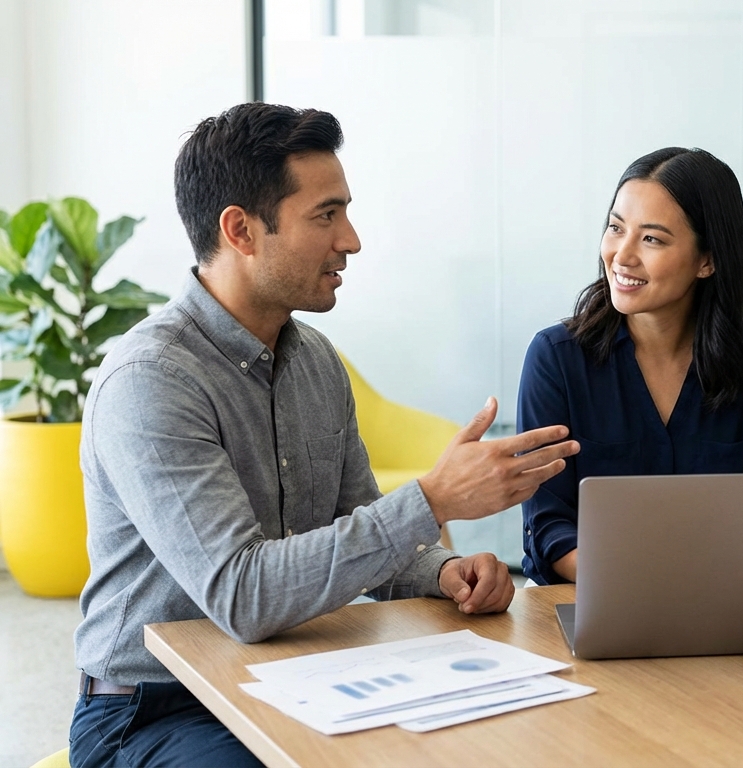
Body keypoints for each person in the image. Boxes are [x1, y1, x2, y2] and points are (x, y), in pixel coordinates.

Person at [70, 103, 579, 767]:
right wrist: (431, 499)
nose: (352, 240)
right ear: (241, 230)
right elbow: (242, 595)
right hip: (151, 708)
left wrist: (443, 569)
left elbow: (362, 528)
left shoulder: (315, 359)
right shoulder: (151, 380)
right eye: (326, 215)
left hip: (296, 675)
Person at [518, 147, 743, 585]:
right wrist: (636, 578)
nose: (622, 256)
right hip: (594, 598)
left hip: (728, 601)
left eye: (651, 238)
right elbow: (548, 524)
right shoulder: (555, 357)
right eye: (616, 228)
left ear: (707, 260)